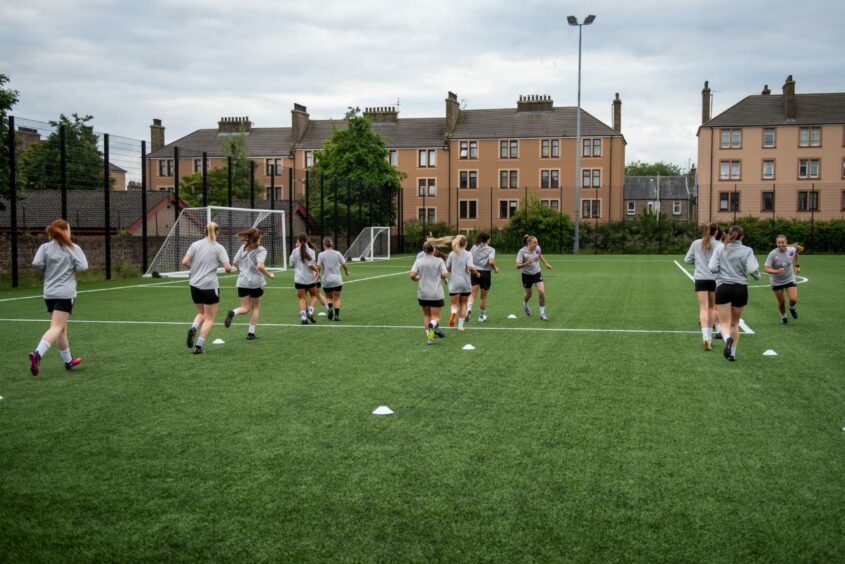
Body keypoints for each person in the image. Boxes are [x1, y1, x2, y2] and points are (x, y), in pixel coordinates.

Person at [28, 219, 88, 376]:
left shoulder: (45, 247)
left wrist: (49, 268)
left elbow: (37, 263)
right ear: (66, 231)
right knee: (56, 327)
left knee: (61, 329)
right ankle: (37, 354)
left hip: (49, 293)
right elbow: (83, 267)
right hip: (65, 293)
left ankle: (68, 361)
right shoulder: (73, 248)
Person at [708, 224, 760, 362]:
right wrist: (756, 276)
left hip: (723, 287)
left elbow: (712, 267)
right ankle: (732, 354)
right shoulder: (747, 250)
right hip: (740, 288)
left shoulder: (720, 248)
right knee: (735, 323)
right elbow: (752, 269)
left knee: (724, 323)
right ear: (742, 236)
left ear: (728, 234)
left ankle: (726, 339)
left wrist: (719, 273)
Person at [182, 222, 232, 354]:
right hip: (209, 286)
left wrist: (195, 269)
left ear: (204, 231)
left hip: (194, 285)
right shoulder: (219, 248)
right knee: (209, 318)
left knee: (202, 313)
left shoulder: (195, 245)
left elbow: (184, 262)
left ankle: (193, 328)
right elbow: (227, 268)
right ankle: (198, 346)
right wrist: (229, 270)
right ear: (218, 232)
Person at [224, 227, 275, 339]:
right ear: (257, 238)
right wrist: (269, 274)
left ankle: (233, 312)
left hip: (242, 281)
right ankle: (251, 333)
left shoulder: (243, 247)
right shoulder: (261, 250)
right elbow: (260, 266)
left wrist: (242, 268)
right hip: (255, 282)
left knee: (245, 308)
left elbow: (235, 262)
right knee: (255, 307)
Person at [684, 223, 722, 350]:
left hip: (700, 278)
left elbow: (687, 260)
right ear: (716, 232)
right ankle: (712, 336)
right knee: (712, 308)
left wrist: (699, 262)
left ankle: (705, 337)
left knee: (703, 308)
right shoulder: (720, 245)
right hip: (714, 279)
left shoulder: (696, 243)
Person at [410, 241, 449, 344]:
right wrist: (440, 275)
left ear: (424, 250)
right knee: (435, 317)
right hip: (435, 293)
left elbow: (412, 275)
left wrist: (417, 278)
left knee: (427, 315)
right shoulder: (439, 261)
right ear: (434, 249)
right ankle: (433, 325)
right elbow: (445, 275)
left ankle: (430, 338)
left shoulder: (419, 261)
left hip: (423, 293)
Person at [764, 235, 803, 324]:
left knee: (793, 299)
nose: (781, 244)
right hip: (776, 281)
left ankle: (792, 307)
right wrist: (776, 271)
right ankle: (783, 316)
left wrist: (797, 265)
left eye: (783, 242)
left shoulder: (791, 250)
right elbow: (766, 269)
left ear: (786, 242)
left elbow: (798, 251)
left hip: (789, 278)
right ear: (776, 243)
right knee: (782, 302)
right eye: (779, 243)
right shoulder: (773, 254)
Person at [446, 234, 479, 331]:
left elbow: (447, 267)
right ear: (466, 243)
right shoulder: (468, 254)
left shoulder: (452, 254)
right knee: (464, 304)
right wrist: (477, 273)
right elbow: (470, 267)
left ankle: (453, 313)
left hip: (454, 283)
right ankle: (460, 326)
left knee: (454, 304)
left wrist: (454, 270)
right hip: (465, 282)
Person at [516, 235, 552, 320]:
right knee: (529, 294)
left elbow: (539, 255)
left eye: (537, 242)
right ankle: (525, 303)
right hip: (526, 275)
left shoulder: (537, 248)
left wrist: (546, 264)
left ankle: (542, 314)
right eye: (534, 242)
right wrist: (526, 263)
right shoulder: (522, 252)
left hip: (536, 273)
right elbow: (517, 266)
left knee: (541, 292)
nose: (536, 244)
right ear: (529, 243)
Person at [466, 232, 499, 322]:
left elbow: (468, 257)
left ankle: (469, 308)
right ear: (487, 240)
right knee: (483, 297)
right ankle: (481, 316)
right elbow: (491, 261)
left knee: (473, 294)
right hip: (485, 273)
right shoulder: (491, 249)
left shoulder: (474, 247)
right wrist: (495, 268)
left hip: (474, 272)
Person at [290, 233, 320, 324]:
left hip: (299, 279)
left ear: (298, 240)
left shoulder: (294, 251)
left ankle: (303, 318)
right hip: (310, 278)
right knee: (314, 296)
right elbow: (310, 265)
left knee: (302, 299)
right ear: (307, 240)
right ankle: (310, 312)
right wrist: (317, 271)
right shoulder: (311, 251)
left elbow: (291, 264)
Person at [317, 237, 350, 321]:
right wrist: (346, 271)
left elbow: (318, 267)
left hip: (326, 280)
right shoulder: (337, 253)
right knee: (337, 298)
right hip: (337, 280)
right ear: (332, 244)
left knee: (329, 297)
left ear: (324, 244)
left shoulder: (321, 254)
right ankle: (337, 315)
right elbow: (344, 264)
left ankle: (330, 309)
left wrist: (318, 275)